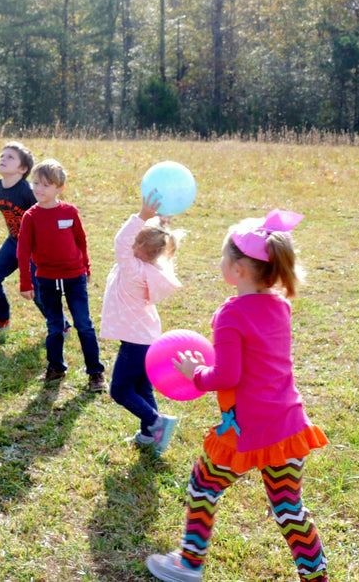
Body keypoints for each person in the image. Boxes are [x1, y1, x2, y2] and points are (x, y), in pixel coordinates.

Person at [146, 209, 329, 582]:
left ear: (239, 268)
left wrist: (193, 374)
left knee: (203, 485)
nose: (221, 263)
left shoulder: (230, 314)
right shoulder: (280, 305)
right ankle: (316, 577)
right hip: (288, 425)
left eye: (224, 256)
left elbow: (227, 375)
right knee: (289, 509)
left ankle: (188, 564)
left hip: (245, 430)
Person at [100, 193, 184, 456]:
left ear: (137, 247)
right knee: (141, 387)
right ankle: (149, 436)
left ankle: (157, 423)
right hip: (148, 339)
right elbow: (152, 244)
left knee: (120, 390)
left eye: (135, 242)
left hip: (136, 343)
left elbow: (120, 241)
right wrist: (160, 223)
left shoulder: (132, 268)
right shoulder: (152, 267)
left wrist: (142, 216)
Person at [17, 158, 106, 392]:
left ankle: (95, 372)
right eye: (36, 183)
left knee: (84, 324)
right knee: (55, 326)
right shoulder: (31, 217)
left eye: (46, 185)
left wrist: (86, 268)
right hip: (46, 279)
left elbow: (81, 240)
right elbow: (23, 251)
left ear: (59, 188)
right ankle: (56, 367)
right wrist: (26, 282)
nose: (39, 189)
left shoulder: (69, 211)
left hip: (74, 277)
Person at [0, 141, 48, 333]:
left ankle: (59, 325)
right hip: (14, 241)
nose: (3, 159)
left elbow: (48, 216)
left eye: (10, 157)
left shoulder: (30, 192)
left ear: (23, 169)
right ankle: (0, 318)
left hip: (35, 247)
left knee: (37, 291)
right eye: (2, 156)